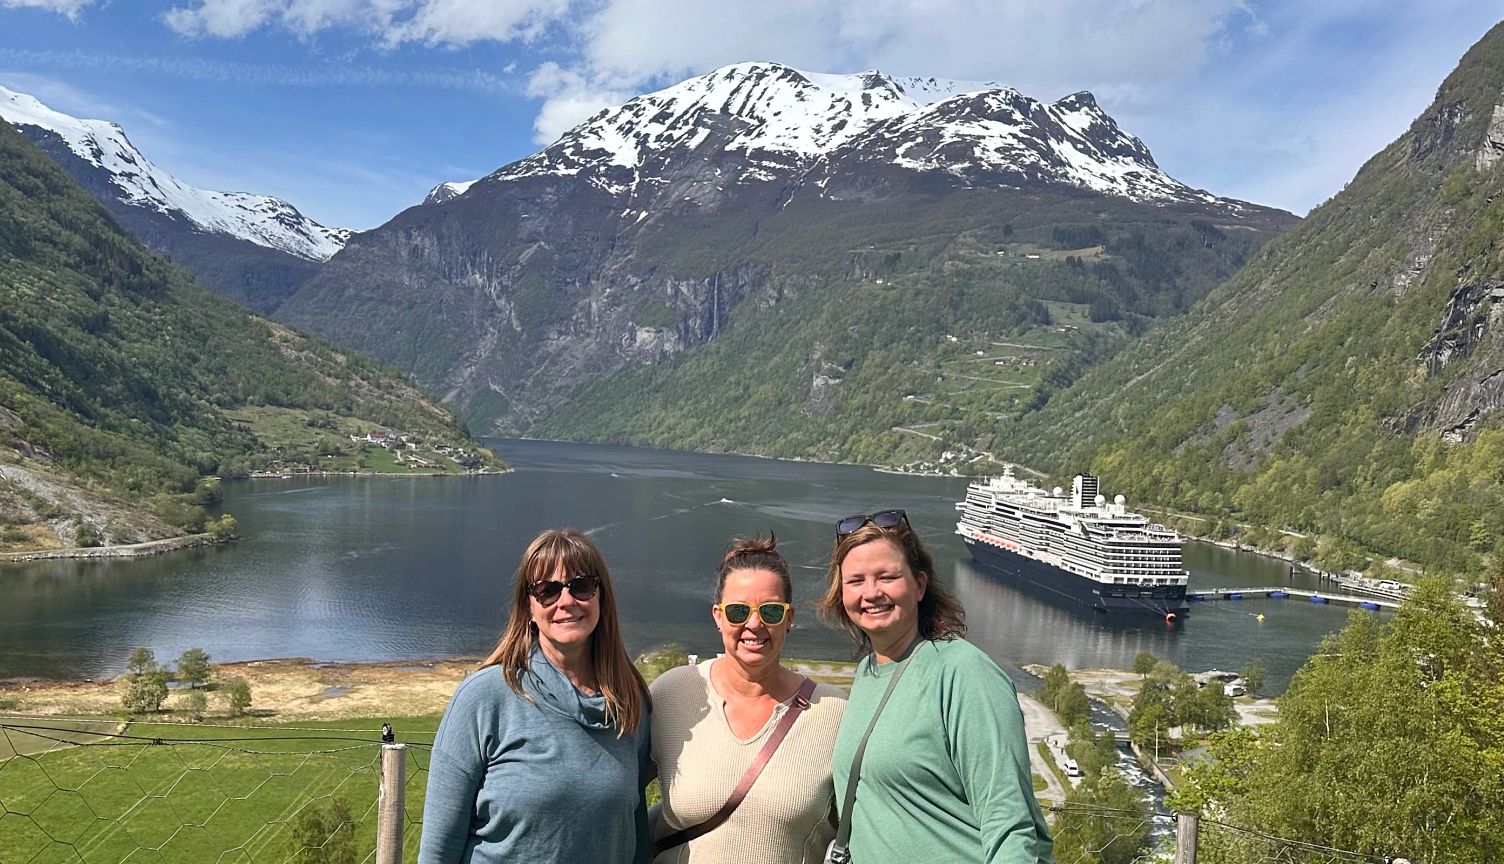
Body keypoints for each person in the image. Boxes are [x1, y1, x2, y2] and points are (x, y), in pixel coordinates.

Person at [819, 510, 1053, 864]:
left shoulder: (963, 672)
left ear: (919, 585)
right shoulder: (869, 671)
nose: (871, 593)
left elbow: (1010, 824)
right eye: (856, 581)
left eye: (887, 576)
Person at [418, 528, 652, 864]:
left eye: (581, 586)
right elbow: (438, 850)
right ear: (528, 606)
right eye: (547, 590)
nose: (566, 601)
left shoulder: (628, 704)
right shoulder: (484, 698)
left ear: (602, 597)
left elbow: (635, 832)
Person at [650, 535, 846, 862]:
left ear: (790, 618)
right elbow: (615, 793)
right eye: (738, 611)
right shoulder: (672, 693)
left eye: (770, 611)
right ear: (717, 616)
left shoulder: (834, 713)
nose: (753, 624)